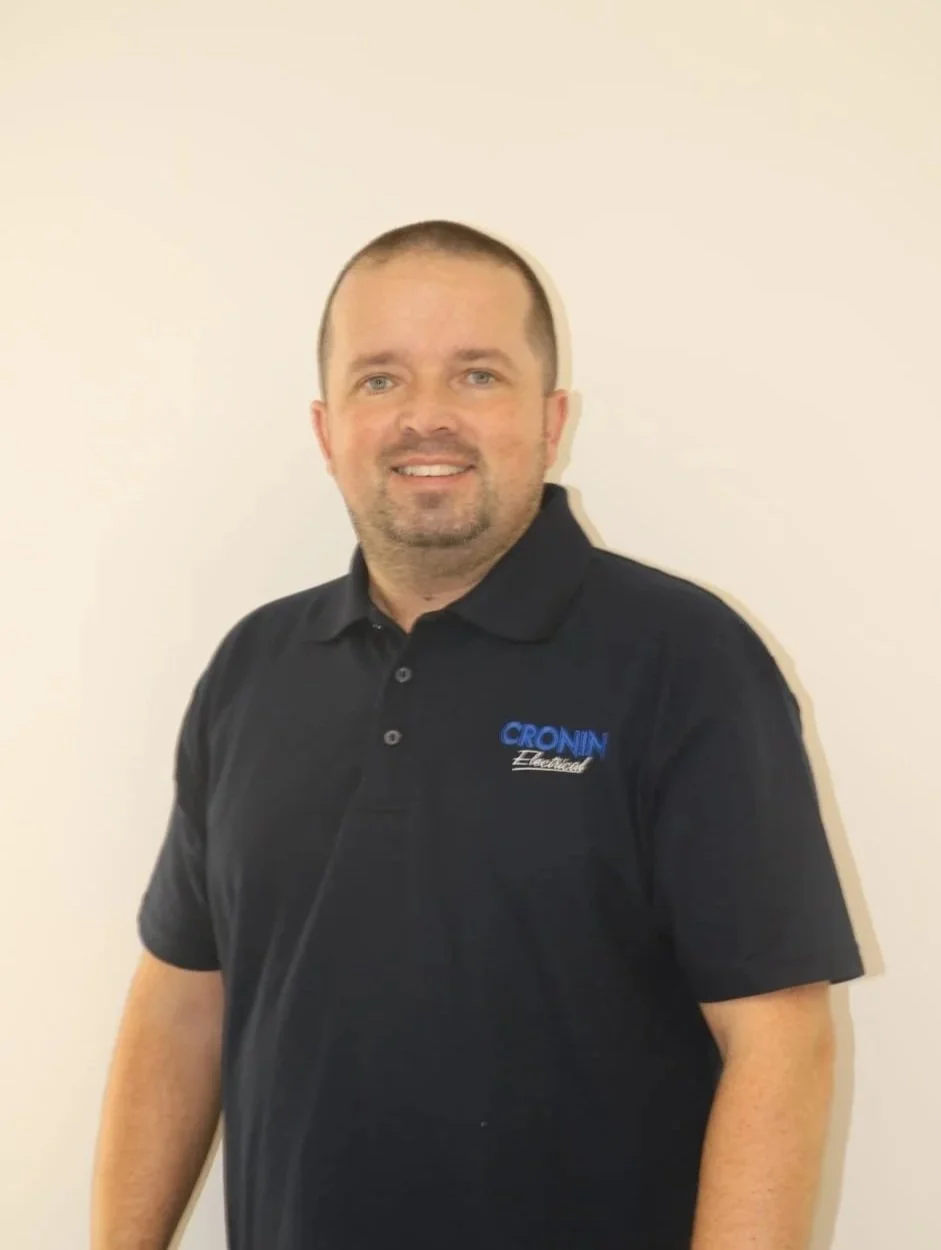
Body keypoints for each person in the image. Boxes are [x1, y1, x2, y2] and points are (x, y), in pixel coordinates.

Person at [91, 219, 864, 1250]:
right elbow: (184, 998)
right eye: (379, 380)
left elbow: (778, 1037)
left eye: (476, 375)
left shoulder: (685, 660)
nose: (425, 418)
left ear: (550, 418)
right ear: (326, 430)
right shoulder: (253, 668)